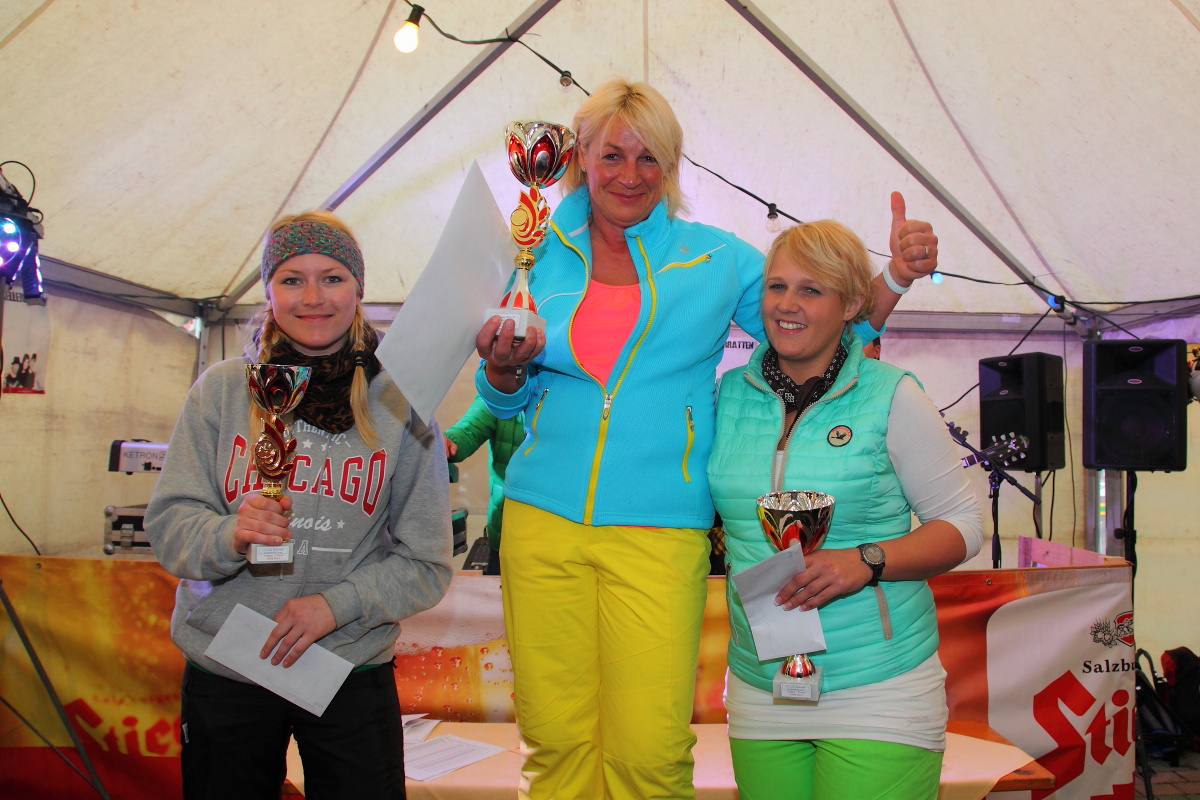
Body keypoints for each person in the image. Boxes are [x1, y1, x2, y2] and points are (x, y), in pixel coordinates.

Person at [474, 78, 940, 799]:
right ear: (580, 159)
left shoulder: (715, 258)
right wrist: (501, 372)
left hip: (660, 529)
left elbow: (823, 324)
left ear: (672, 166)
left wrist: (896, 279)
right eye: (612, 155)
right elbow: (508, 392)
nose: (630, 174)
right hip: (540, 522)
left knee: (650, 753)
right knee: (555, 743)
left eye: (650, 158)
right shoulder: (533, 253)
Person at [145, 210, 452, 800]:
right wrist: (230, 534)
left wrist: (336, 606)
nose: (313, 298)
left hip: (346, 667)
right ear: (268, 290)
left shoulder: (403, 405)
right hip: (227, 663)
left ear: (359, 288)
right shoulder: (223, 390)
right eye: (292, 279)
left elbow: (427, 562)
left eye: (332, 277)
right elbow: (169, 525)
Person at [707, 220, 983, 800]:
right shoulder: (729, 395)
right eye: (776, 287)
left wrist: (866, 559)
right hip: (763, 686)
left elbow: (964, 525)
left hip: (878, 686)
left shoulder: (892, 393)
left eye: (811, 290)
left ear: (852, 303)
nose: (787, 305)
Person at [442, 394, 525, 574]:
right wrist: (449, 441)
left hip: (562, 537)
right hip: (507, 532)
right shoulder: (501, 391)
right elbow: (470, 427)